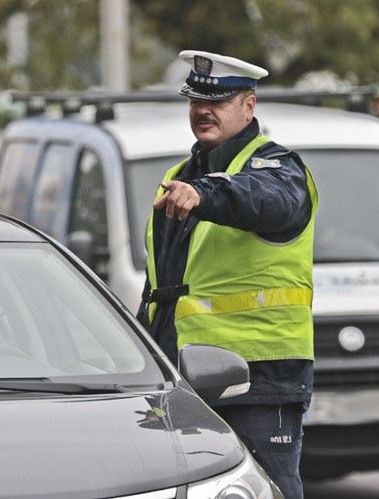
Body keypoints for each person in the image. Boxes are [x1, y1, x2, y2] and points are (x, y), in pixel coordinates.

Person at [137, 50, 317, 499]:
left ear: (249, 105)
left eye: (216, 100)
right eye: (196, 100)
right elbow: (160, 290)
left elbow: (262, 200)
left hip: (260, 382)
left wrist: (204, 193)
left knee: (267, 490)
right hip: (181, 381)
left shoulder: (280, 169)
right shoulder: (178, 177)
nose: (202, 110)